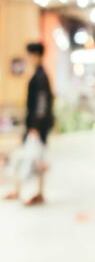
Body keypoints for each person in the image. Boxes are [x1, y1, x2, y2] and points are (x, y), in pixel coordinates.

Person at [4, 42, 54, 206]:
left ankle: (37, 192)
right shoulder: (39, 74)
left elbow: (41, 103)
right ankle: (28, 191)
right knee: (33, 157)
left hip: (37, 127)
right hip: (35, 125)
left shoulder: (41, 76)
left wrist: (35, 127)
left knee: (34, 158)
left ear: (36, 55)